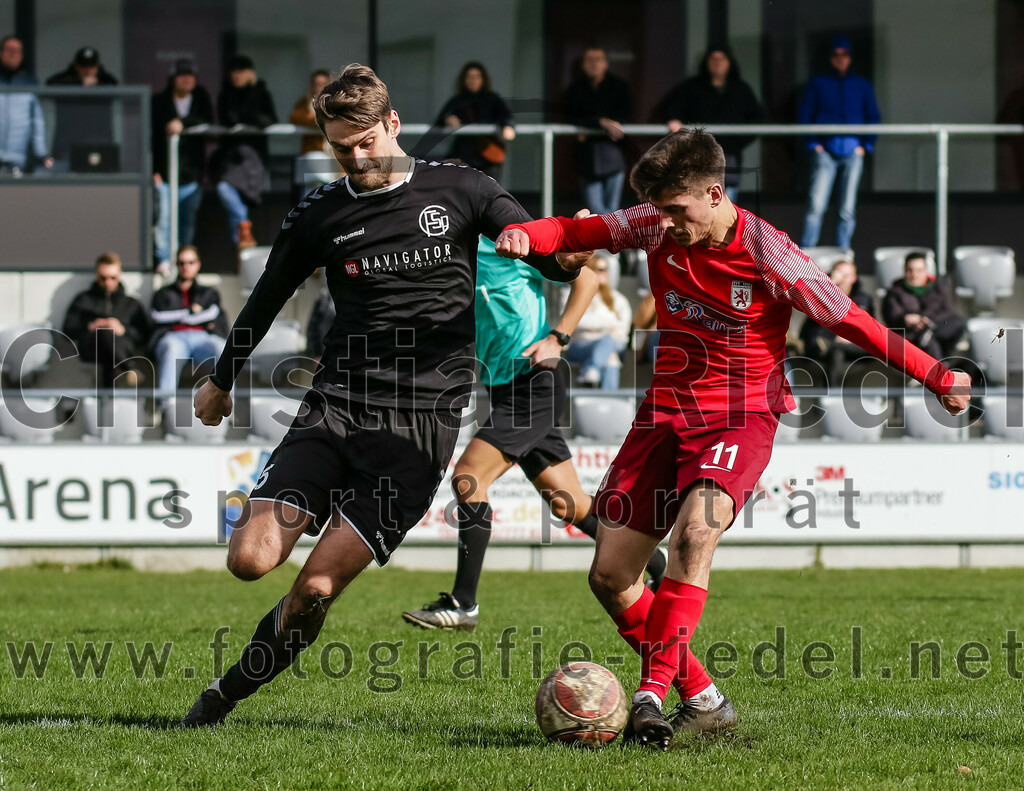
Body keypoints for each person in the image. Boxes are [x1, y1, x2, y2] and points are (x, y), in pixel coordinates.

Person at [495, 127, 971, 749]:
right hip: (663, 414)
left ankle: (649, 695)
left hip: (741, 414)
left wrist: (934, 373)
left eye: (676, 209)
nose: (664, 223)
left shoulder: (769, 251)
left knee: (695, 533)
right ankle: (705, 699)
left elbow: (850, 321)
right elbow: (577, 233)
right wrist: (527, 235)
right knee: (610, 577)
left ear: (715, 192)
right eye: (658, 209)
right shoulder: (652, 223)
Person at [180, 63, 584, 728]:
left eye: (367, 140)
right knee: (249, 559)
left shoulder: (460, 187)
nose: (358, 157)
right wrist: (223, 378)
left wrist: (562, 246)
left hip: (417, 432)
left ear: (393, 124)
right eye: (342, 147)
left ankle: (224, 695)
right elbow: (267, 295)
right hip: (334, 407)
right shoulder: (321, 210)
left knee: (313, 589)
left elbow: (544, 251)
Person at [400, 234, 667, 631]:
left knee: (468, 477)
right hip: (505, 385)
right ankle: (657, 563)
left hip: (535, 378)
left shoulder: (507, 243)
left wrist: (557, 337)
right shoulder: (448, 258)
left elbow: (588, 280)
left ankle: (464, 604)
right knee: (569, 504)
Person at [798, 34, 880, 249]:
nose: (840, 59)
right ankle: (807, 251)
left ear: (850, 57)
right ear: (830, 58)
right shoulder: (819, 83)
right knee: (816, 205)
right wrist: (813, 144)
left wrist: (866, 146)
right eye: (836, 55)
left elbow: (873, 117)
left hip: (853, 151)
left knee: (847, 207)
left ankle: (843, 251)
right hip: (825, 151)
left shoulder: (861, 85)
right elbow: (805, 114)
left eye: (845, 55)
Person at [663, 46, 763, 204]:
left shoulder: (741, 90)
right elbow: (672, 107)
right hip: (698, 154)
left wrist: (736, 143)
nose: (717, 63)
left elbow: (756, 119)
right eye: (713, 59)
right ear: (706, 63)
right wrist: (674, 121)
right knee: (697, 197)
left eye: (722, 59)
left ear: (729, 63)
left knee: (726, 202)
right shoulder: (692, 87)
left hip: (729, 155)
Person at [151, 58, 214, 272]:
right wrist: (153, 170)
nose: (186, 80)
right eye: (182, 75)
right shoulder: (159, 101)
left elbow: (208, 121)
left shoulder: (201, 98)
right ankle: (164, 260)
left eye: (191, 76)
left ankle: (183, 262)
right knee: (163, 220)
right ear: (173, 79)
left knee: (187, 221)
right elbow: (149, 138)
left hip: (192, 175)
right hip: (165, 174)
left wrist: (182, 123)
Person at [212, 55, 277, 248]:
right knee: (224, 188)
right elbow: (228, 118)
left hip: (253, 157)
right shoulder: (225, 94)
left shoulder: (261, 92)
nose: (236, 76)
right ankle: (243, 227)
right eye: (233, 72)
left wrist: (252, 114)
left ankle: (242, 241)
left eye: (240, 71)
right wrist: (249, 118)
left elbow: (268, 118)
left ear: (250, 73)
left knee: (240, 197)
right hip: (231, 156)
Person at [150, 246, 228, 397]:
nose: (186, 267)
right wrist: (191, 314)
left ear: (198, 264)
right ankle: (166, 406)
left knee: (222, 348)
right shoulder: (163, 293)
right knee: (172, 349)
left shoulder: (209, 293)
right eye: (182, 263)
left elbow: (217, 318)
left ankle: (227, 405)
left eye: (190, 262)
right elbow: (156, 319)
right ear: (176, 265)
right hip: (174, 337)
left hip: (202, 339)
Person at [62, 252, 150, 388]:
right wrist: (90, 326)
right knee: (104, 334)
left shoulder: (131, 304)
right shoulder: (84, 300)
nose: (108, 282)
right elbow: (68, 330)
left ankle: (109, 402)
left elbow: (144, 334)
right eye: (103, 278)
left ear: (120, 274)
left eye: (112, 278)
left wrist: (122, 330)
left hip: (122, 347)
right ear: (96, 275)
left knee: (111, 355)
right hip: (92, 348)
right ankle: (130, 368)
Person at [566, 46, 631, 216]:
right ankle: (606, 239)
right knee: (597, 211)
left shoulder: (619, 86)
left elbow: (626, 116)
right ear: (583, 65)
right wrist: (602, 122)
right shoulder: (576, 88)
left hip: (613, 155)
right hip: (588, 158)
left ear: (606, 64)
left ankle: (612, 240)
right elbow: (571, 115)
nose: (594, 64)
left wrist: (595, 125)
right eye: (590, 60)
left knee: (613, 211)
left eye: (598, 59)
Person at [435, 62, 516, 182]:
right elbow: (440, 120)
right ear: (464, 80)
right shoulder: (458, 101)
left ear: (483, 79)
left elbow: (505, 115)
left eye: (477, 76)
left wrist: (508, 126)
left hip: (487, 157)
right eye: (469, 76)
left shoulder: (492, 99)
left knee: (488, 192)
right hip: (463, 156)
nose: (473, 80)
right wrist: (449, 119)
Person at [799, 258, 874, 384]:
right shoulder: (820, 296)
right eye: (838, 274)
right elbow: (814, 330)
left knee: (837, 348)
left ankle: (831, 393)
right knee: (837, 351)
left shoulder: (863, 299)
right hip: (823, 347)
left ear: (854, 278)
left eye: (846, 275)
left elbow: (869, 328)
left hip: (854, 346)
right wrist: (830, 284)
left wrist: (851, 337)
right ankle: (832, 395)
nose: (842, 279)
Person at [563, 253, 632, 389]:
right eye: (600, 270)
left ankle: (592, 369)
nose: (605, 273)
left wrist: (594, 327)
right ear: (589, 271)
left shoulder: (618, 299)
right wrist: (606, 324)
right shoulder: (570, 294)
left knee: (609, 343)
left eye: (606, 269)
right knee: (611, 358)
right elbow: (571, 322)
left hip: (614, 343)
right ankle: (608, 402)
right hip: (580, 345)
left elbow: (623, 331)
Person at [882, 251, 967, 362]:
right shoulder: (895, 292)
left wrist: (926, 321)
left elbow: (948, 311)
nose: (914, 275)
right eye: (910, 270)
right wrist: (906, 319)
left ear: (926, 271)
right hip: (909, 335)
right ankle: (940, 370)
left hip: (935, 329)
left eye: (919, 270)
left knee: (955, 324)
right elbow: (891, 316)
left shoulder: (938, 289)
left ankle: (940, 367)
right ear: (904, 271)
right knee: (929, 340)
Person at [46, 46, 119, 170]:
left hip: (98, 144)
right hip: (67, 146)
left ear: (97, 66)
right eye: (84, 67)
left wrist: (96, 85)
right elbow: (50, 84)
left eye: (91, 67)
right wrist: (80, 84)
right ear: (76, 66)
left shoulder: (105, 80)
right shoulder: (65, 79)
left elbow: (116, 86)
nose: (87, 71)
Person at [0, 35, 52, 175]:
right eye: (9, 50)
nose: (13, 54)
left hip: (19, 159)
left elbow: (37, 121)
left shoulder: (29, 82)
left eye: (17, 51)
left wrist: (41, 153)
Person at [289, 69, 337, 197]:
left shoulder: (336, 103)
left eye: (323, 83)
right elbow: (295, 117)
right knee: (311, 193)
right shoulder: (304, 103)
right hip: (314, 158)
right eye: (316, 84)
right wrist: (323, 119)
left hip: (335, 156)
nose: (319, 87)